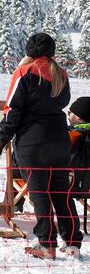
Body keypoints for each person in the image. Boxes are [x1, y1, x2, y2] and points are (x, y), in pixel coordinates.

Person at [0, 33, 83, 259]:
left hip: (32, 143)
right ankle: (73, 243)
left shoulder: (24, 72)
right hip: (59, 140)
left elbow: (12, 111)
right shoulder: (61, 74)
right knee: (61, 194)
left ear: (29, 51)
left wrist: (1, 138)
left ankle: (46, 244)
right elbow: (63, 103)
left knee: (40, 194)